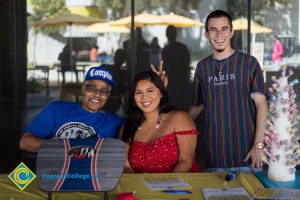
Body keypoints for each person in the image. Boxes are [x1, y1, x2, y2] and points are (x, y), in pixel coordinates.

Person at [188, 10, 267, 172]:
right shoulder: (202, 67)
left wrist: (259, 145)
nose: (219, 34)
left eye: (224, 29)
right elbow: (196, 107)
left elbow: (262, 106)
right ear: (206, 34)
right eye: (213, 29)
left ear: (231, 32)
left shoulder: (249, 63)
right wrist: (170, 126)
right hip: (214, 155)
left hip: (248, 155)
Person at [20, 66, 125, 153]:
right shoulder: (57, 109)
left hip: (89, 175)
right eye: (91, 88)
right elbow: (25, 143)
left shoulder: (115, 122)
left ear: (108, 95)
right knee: (20, 177)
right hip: (52, 172)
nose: (97, 94)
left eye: (103, 91)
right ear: (83, 89)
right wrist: (68, 147)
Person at [120, 70, 202, 173]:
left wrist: (165, 186)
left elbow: (186, 161)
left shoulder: (179, 118)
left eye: (150, 91)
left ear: (161, 93)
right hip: (141, 187)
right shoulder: (128, 126)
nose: (144, 97)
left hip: (180, 186)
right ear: (133, 97)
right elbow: (126, 166)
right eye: (138, 92)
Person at [162, 25, 191, 110]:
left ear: (166, 35)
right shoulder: (182, 47)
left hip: (171, 82)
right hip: (182, 80)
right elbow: (187, 63)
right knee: (182, 105)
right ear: (176, 34)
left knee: (172, 106)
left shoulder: (166, 49)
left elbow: (165, 67)